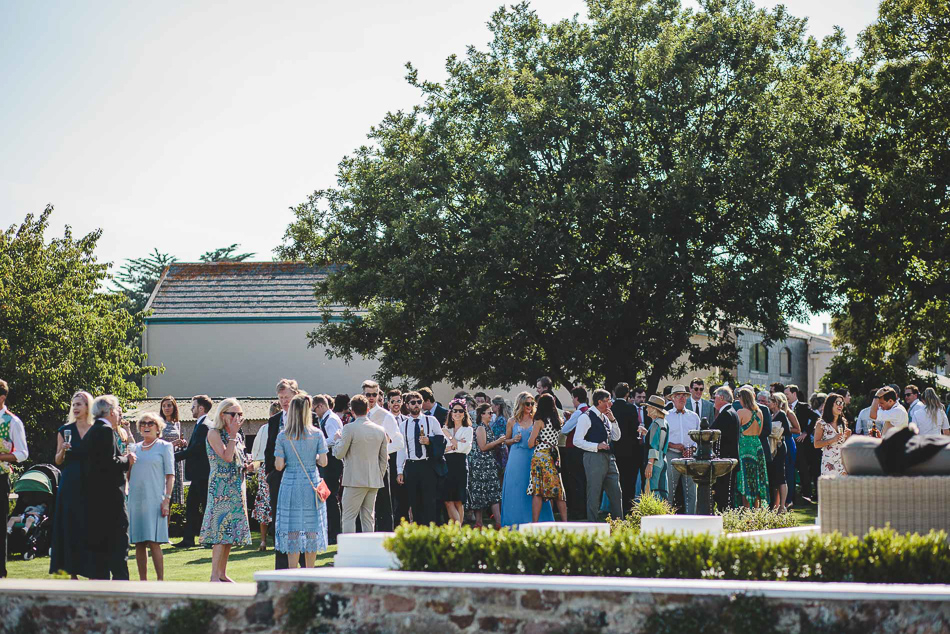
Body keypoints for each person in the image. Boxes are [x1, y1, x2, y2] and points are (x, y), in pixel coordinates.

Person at [199, 398, 251, 582]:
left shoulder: (235, 435)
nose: (237, 418)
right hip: (220, 488)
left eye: (240, 414)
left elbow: (237, 460)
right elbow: (226, 457)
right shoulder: (214, 433)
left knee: (230, 532)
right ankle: (214, 575)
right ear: (223, 415)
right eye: (233, 414)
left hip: (235, 486)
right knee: (221, 531)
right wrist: (232, 435)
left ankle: (222, 573)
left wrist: (247, 465)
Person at [274, 394, 329, 567]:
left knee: (292, 530)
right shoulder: (317, 434)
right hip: (311, 484)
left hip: (290, 484)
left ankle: (292, 572)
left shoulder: (283, 436)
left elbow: (279, 465)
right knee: (312, 529)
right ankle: (310, 572)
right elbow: (324, 462)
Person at [86, 394, 135, 580]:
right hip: (111, 499)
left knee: (100, 552)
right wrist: (127, 460)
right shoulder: (105, 431)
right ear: (111, 411)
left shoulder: (92, 431)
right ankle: (121, 590)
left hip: (96, 501)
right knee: (118, 547)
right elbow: (109, 463)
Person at [50, 390, 92, 578]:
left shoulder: (96, 429)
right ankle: (70, 571)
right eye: (73, 404)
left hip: (91, 481)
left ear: (88, 407)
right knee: (69, 525)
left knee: (89, 524)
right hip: (70, 481)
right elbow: (57, 461)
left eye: (79, 404)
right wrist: (63, 451)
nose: (75, 408)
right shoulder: (64, 430)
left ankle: (91, 569)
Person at [128, 413, 175, 580]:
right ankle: (143, 581)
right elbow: (128, 475)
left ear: (158, 428)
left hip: (156, 499)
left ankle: (160, 581)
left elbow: (170, 475)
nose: (146, 426)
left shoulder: (165, 446)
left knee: (154, 542)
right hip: (135, 499)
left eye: (151, 423)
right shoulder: (133, 448)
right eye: (143, 423)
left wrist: (166, 500)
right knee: (139, 542)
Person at [334, 394, 389, 533]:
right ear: (368, 409)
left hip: (354, 480)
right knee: (368, 517)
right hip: (373, 480)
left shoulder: (349, 428)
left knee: (348, 517)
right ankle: (368, 550)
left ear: (352, 411)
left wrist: (337, 441)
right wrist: (378, 475)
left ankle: (349, 550)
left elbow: (339, 453)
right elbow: (384, 459)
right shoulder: (380, 430)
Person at [264, 379, 304, 568]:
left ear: (296, 395)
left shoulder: (309, 418)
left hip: (302, 477)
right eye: (280, 398)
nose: (283, 401)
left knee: (302, 520)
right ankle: (281, 565)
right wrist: (269, 475)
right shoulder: (274, 420)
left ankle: (304, 563)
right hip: (279, 477)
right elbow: (268, 449)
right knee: (279, 521)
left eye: (287, 397)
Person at [501, 392, 554, 526]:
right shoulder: (512, 421)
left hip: (532, 456)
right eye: (527, 404)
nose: (530, 406)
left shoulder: (537, 419)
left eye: (532, 403)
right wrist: (513, 440)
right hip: (516, 458)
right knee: (516, 488)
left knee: (535, 489)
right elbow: (505, 441)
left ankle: (538, 522)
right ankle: (514, 523)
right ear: (520, 404)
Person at [396, 391, 445, 526]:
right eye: (413, 402)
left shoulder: (431, 420)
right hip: (411, 465)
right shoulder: (403, 425)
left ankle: (431, 530)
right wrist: (399, 471)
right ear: (407, 405)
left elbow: (442, 440)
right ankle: (418, 531)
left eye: (419, 402)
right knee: (414, 502)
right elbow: (401, 448)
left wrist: (430, 441)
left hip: (428, 464)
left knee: (430, 501)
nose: (416, 405)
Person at [574, 389, 623, 521]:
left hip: (609, 458)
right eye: (608, 401)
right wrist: (596, 446)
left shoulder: (606, 417)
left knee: (616, 492)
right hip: (593, 457)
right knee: (594, 493)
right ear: (599, 402)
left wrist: (613, 420)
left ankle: (619, 524)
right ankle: (592, 524)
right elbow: (576, 441)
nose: (610, 404)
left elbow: (616, 437)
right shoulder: (586, 417)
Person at [363, 380, 404, 532]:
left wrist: (381, 451)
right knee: (365, 507)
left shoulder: (386, 416)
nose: (371, 397)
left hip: (380, 467)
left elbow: (399, 442)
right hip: (362, 467)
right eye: (368, 394)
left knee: (383, 505)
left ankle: (386, 538)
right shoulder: (359, 414)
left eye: (374, 394)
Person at [173, 395, 213, 548]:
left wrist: (175, 457)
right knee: (193, 507)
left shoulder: (204, 426)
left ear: (201, 408)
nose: (191, 409)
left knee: (201, 506)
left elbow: (196, 449)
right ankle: (189, 538)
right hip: (199, 474)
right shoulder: (201, 424)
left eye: (193, 406)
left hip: (202, 474)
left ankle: (206, 538)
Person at [527, 393, 568, 522]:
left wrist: (536, 439)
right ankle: (565, 521)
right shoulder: (558, 420)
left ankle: (535, 522)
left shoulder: (539, 421)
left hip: (541, 455)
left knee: (537, 491)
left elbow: (530, 443)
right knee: (558, 490)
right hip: (554, 454)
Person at [313, 394, 344, 544]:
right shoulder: (327, 418)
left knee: (330, 497)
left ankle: (334, 532)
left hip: (332, 461)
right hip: (328, 460)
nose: (315, 413)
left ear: (320, 406)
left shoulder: (330, 419)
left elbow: (335, 438)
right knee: (327, 496)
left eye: (315, 409)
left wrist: (318, 442)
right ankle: (331, 530)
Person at [665, 386, 700, 514]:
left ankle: (692, 520)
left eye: (684, 395)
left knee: (691, 492)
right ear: (672, 398)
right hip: (671, 456)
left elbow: (699, 438)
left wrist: (692, 448)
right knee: (669, 490)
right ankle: (666, 520)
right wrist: (674, 446)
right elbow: (661, 440)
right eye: (678, 395)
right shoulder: (666, 417)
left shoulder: (694, 417)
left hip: (690, 457)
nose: (682, 398)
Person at [468, 403, 503, 528]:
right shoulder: (481, 428)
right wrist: (497, 441)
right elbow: (483, 447)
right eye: (489, 413)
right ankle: (480, 522)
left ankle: (497, 521)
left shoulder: (487, 427)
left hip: (489, 463)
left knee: (493, 492)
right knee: (480, 493)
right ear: (482, 414)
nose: (491, 415)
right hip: (481, 464)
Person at [250, 401, 279, 551]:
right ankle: (276, 539)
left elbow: (256, 452)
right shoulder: (281, 427)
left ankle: (263, 541)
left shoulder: (263, 429)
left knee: (263, 504)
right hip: (277, 468)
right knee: (276, 504)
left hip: (263, 469)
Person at [609, 383, 640, 516]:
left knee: (617, 481)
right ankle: (629, 507)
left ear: (615, 393)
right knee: (630, 481)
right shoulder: (631, 408)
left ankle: (616, 509)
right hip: (631, 450)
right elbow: (635, 429)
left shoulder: (612, 408)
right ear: (628, 394)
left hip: (615, 449)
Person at [560, 387, 591, 520]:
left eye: (572, 398)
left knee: (575, 480)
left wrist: (567, 420)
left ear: (576, 398)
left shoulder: (579, 413)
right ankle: (583, 508)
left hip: (574, 450)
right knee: (583, 480)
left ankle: (577, 509)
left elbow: (565, 430)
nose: (572, 400)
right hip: (585, 449)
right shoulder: (589, 410)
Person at [441, 398, 473, 524]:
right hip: (447, 464)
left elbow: (464, 448)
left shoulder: (468, 430)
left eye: (461, 411)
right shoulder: (445, 428)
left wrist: (450, 438)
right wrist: (454, 445)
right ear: (451, 413)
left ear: (464, 413)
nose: (458, 413)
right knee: (448, 500)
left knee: (459, 500)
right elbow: (442, 449)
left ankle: (458, 530)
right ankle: (457, 527)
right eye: (455, 410)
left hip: (460, 464)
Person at [786, 384, 819, 503]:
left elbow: (816, 417)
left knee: (803, 468)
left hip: (801, 443)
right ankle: (792, 496)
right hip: (789, 440)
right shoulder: (784, 407)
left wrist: (806, 432)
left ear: (794, 394)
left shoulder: (803, 406)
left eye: (787, 394)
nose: (786, 397)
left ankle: (807, 495)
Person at [735, 387, 768, 508]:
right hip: (757, 446)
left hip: (745, 447)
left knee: (745, 479)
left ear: (743, 398)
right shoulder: (759, 412)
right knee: (757, 479)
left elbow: (735, 430)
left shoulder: (740, 412)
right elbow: (759, 432)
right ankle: (757, 510)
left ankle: (746, 510)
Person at [766, 392, 800, 513]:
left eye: (770, 401)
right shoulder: (771, 414)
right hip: (772, 447)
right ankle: (775, 505)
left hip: (780, 447)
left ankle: (782, 505)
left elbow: (788, 432)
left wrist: (775, 432)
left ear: (775, 403)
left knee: (781, 476)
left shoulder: (781, 415)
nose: (768, 403)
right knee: (774, 476)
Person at [710, 387, 739, 510]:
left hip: (725, 461)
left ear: (721, 398)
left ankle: (725, 519)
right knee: (727, 495)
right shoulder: (731, 411)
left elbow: (710, 432)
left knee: (724, 496)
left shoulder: (726, 413)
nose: (713, 400)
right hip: (729, 460)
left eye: (715, 397)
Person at [386, 390, 409, 522]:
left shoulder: (406, 420)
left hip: (404, 461)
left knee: (403, 497)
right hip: (389, 459)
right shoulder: (384, 420)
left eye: (398, 401)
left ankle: (403, 524)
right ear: (388, 403)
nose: (396, 404)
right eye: (393, 401)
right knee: (390, 495)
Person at [159, 396, 186, 505]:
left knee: (170, 501)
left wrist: (182, 443)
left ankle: (168, 522)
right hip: (162, 462)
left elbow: (179, 441)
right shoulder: (159, 424)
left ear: (174, 407)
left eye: (169, 405)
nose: (166, 408)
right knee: (162, 498)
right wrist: (172, 444)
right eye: (164, 406)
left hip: (175, 461)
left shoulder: (177, 424)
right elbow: (155, 445)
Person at [815, 393, 850, 476]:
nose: (840, 405)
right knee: (829, 488)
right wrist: (832, 440)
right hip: (829, 463)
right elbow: (816, 444)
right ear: (830, 404)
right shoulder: (821, 424)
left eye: (842, 403)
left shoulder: (843, 422)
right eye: (838, 403)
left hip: (842, 463)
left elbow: (845, 444)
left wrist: (848, 437)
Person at [643, 395, 670, 500]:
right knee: (662, 490)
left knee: (653, 490)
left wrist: (650, 463)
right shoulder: (664, 422)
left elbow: (653, 446)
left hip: (655, 462)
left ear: (654, 409)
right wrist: (647, 433)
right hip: (663, 459)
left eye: (648, 407)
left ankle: (655, 514)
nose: (646, 409)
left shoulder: (655, 424)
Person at [490, 396, 511, 483]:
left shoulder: (501, 420)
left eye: (492, 405)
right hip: (498, 449)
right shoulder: (500, 418)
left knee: (501, 475)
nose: (491, 407)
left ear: (497, 406)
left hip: (500, 450)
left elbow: (501, 435)